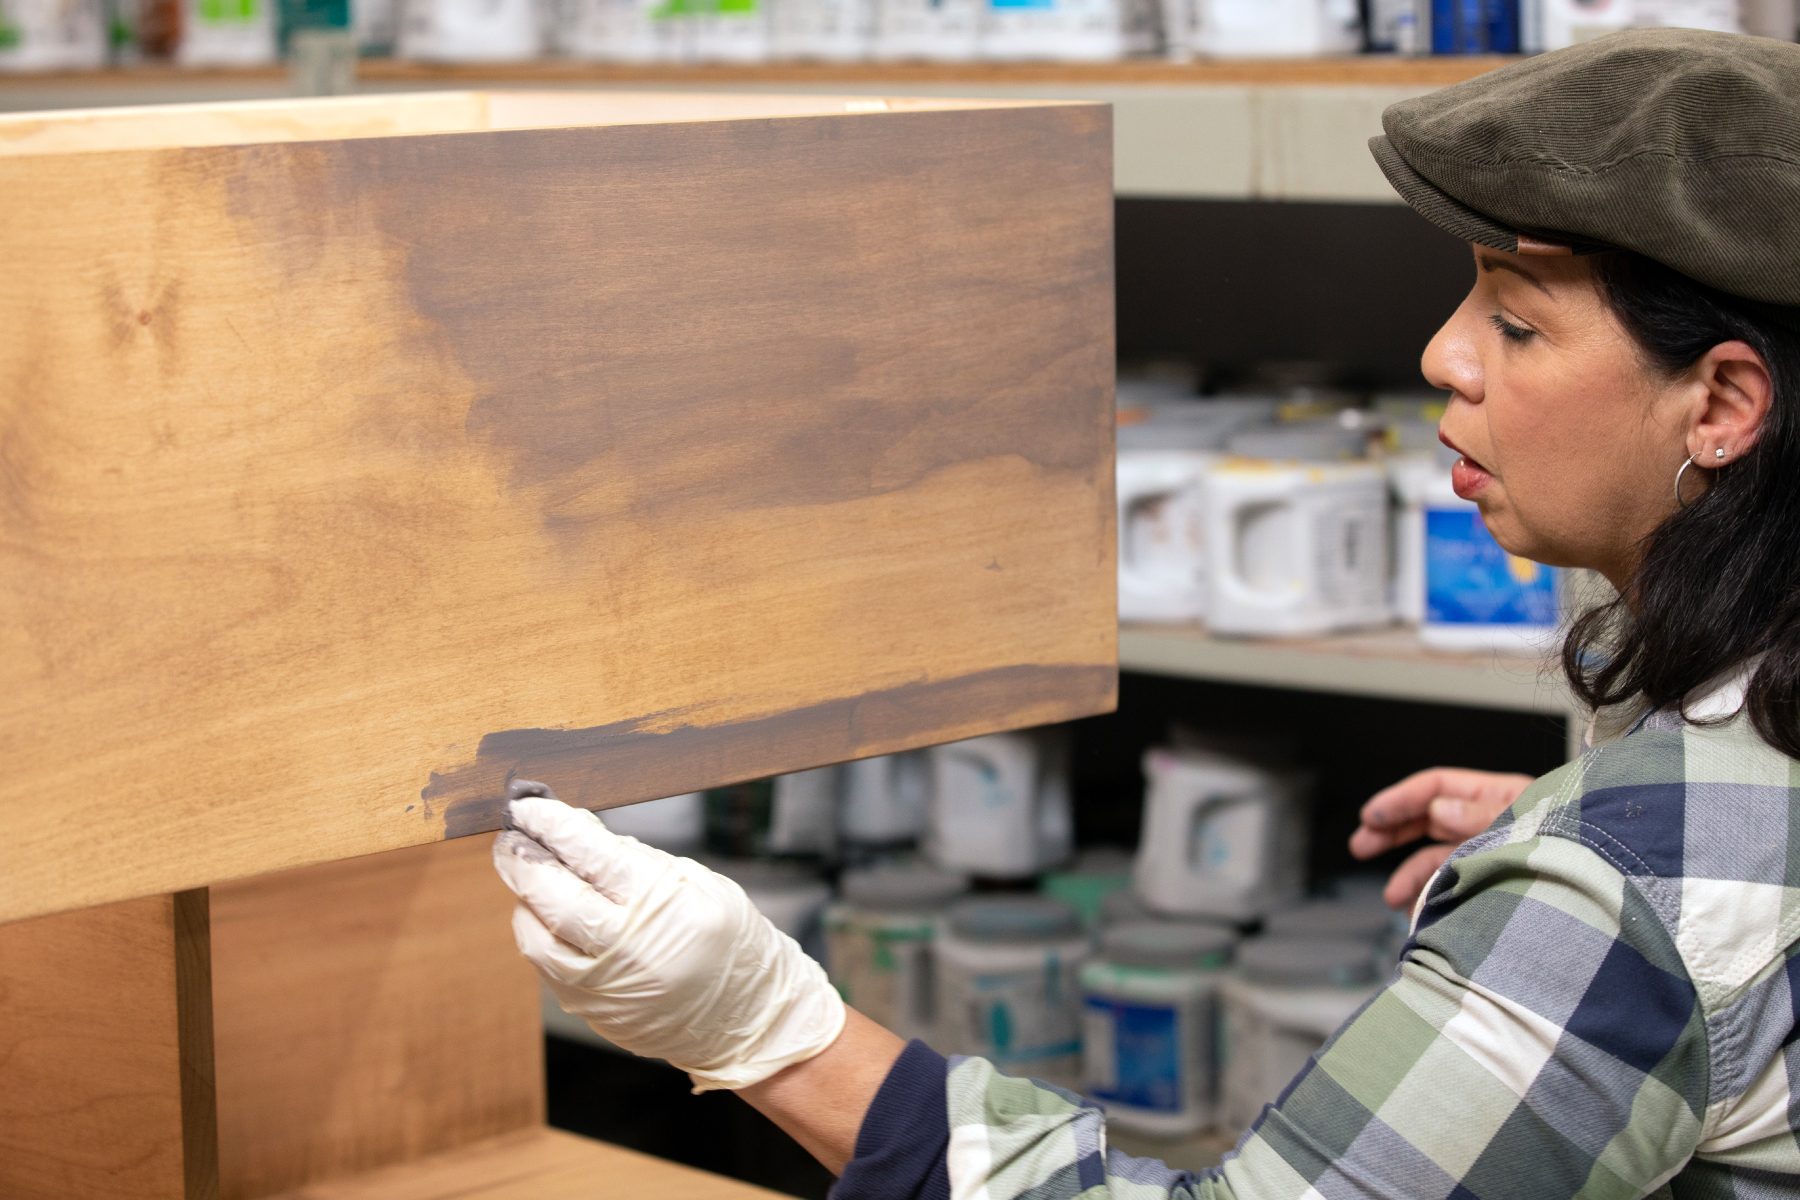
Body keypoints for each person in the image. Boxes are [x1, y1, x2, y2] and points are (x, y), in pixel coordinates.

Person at [490, 28, 1800, 1198]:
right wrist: (1573, 842)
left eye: (1516, 323)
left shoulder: (1626, 892)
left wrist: (773, 1032)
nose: (1441, 354)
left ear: (1723, 405)